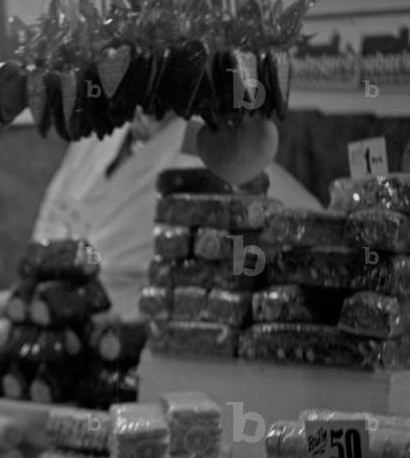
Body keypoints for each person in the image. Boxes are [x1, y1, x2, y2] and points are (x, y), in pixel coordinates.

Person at [32, 110, 322, 315]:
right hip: (53, 330)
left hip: (143, 345)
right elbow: (46, 229)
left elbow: (305, 223)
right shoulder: (98, 131)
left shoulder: (215, 142)